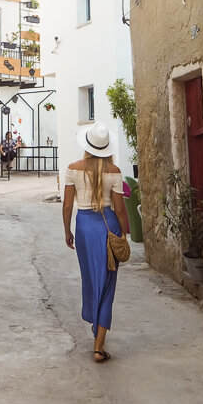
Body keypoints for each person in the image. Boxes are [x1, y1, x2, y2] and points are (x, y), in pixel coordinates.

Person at [62, 121, 129, 364]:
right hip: (108, 226)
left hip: (84, 228)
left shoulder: (73, 168)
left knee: (91, 280)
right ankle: (99, 346)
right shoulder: (114, 171)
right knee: (108, 284)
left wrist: (67, 230)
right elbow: (120, 210)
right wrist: (123, 234)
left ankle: (96, 329)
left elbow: (68, 205)